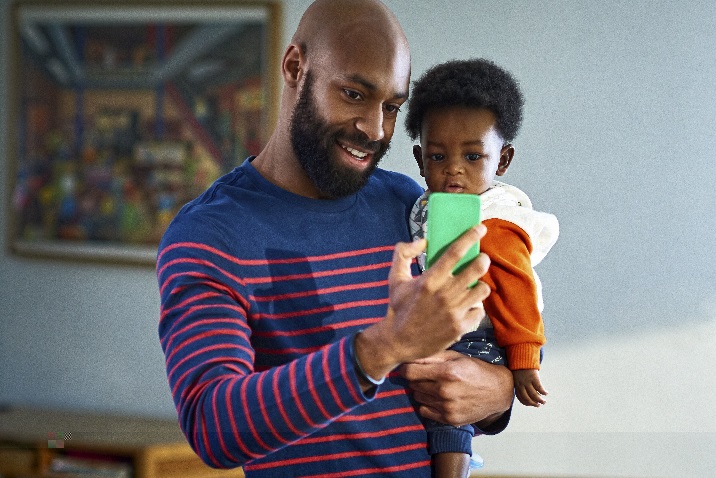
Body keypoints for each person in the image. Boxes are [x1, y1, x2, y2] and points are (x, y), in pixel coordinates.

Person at [157, 2, 514, 477]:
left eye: (391, 107)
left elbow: (471, 350)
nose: (375, 128)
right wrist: (380, 349)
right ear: (294, 68)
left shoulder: (409, 206)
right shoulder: (210, 235)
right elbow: (212, 427)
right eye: (353, 94)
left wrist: (497, 393)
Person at [405, 58, 560, 477]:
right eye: (438, 156)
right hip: (456, 321)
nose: (454, 168)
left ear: (503, 159)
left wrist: (524, 361)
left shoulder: (496, 221)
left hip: (491, 331)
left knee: (447, 408)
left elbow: (517, 289)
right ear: (420, 160)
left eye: (473, 156)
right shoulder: (421, 207)